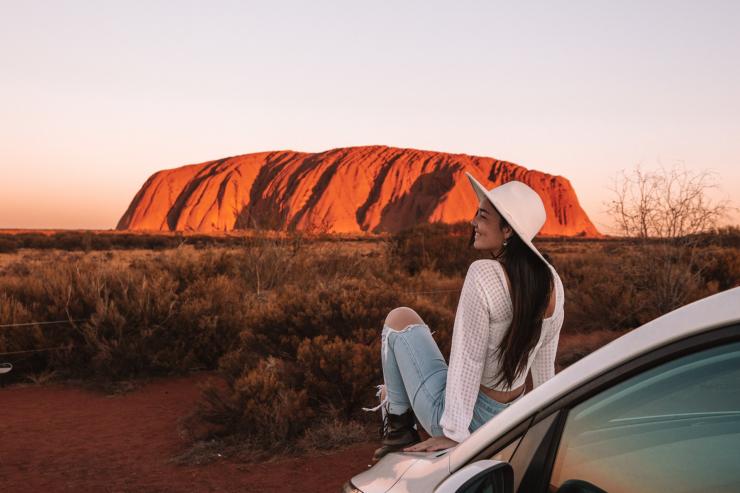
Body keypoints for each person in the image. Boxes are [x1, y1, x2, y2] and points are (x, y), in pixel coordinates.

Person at [363, 172, 565, 461]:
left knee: (399, 318)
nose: (473, 223)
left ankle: (398, 431)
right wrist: (546, 428)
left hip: (471, 422)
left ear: (507, 230)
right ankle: (396, 413)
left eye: (482, 216)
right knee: (438, 369)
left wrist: (453, 433)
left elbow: (468, 358)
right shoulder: (552, 281)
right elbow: (545, 369)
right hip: (510, 420)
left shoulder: (483, 274)